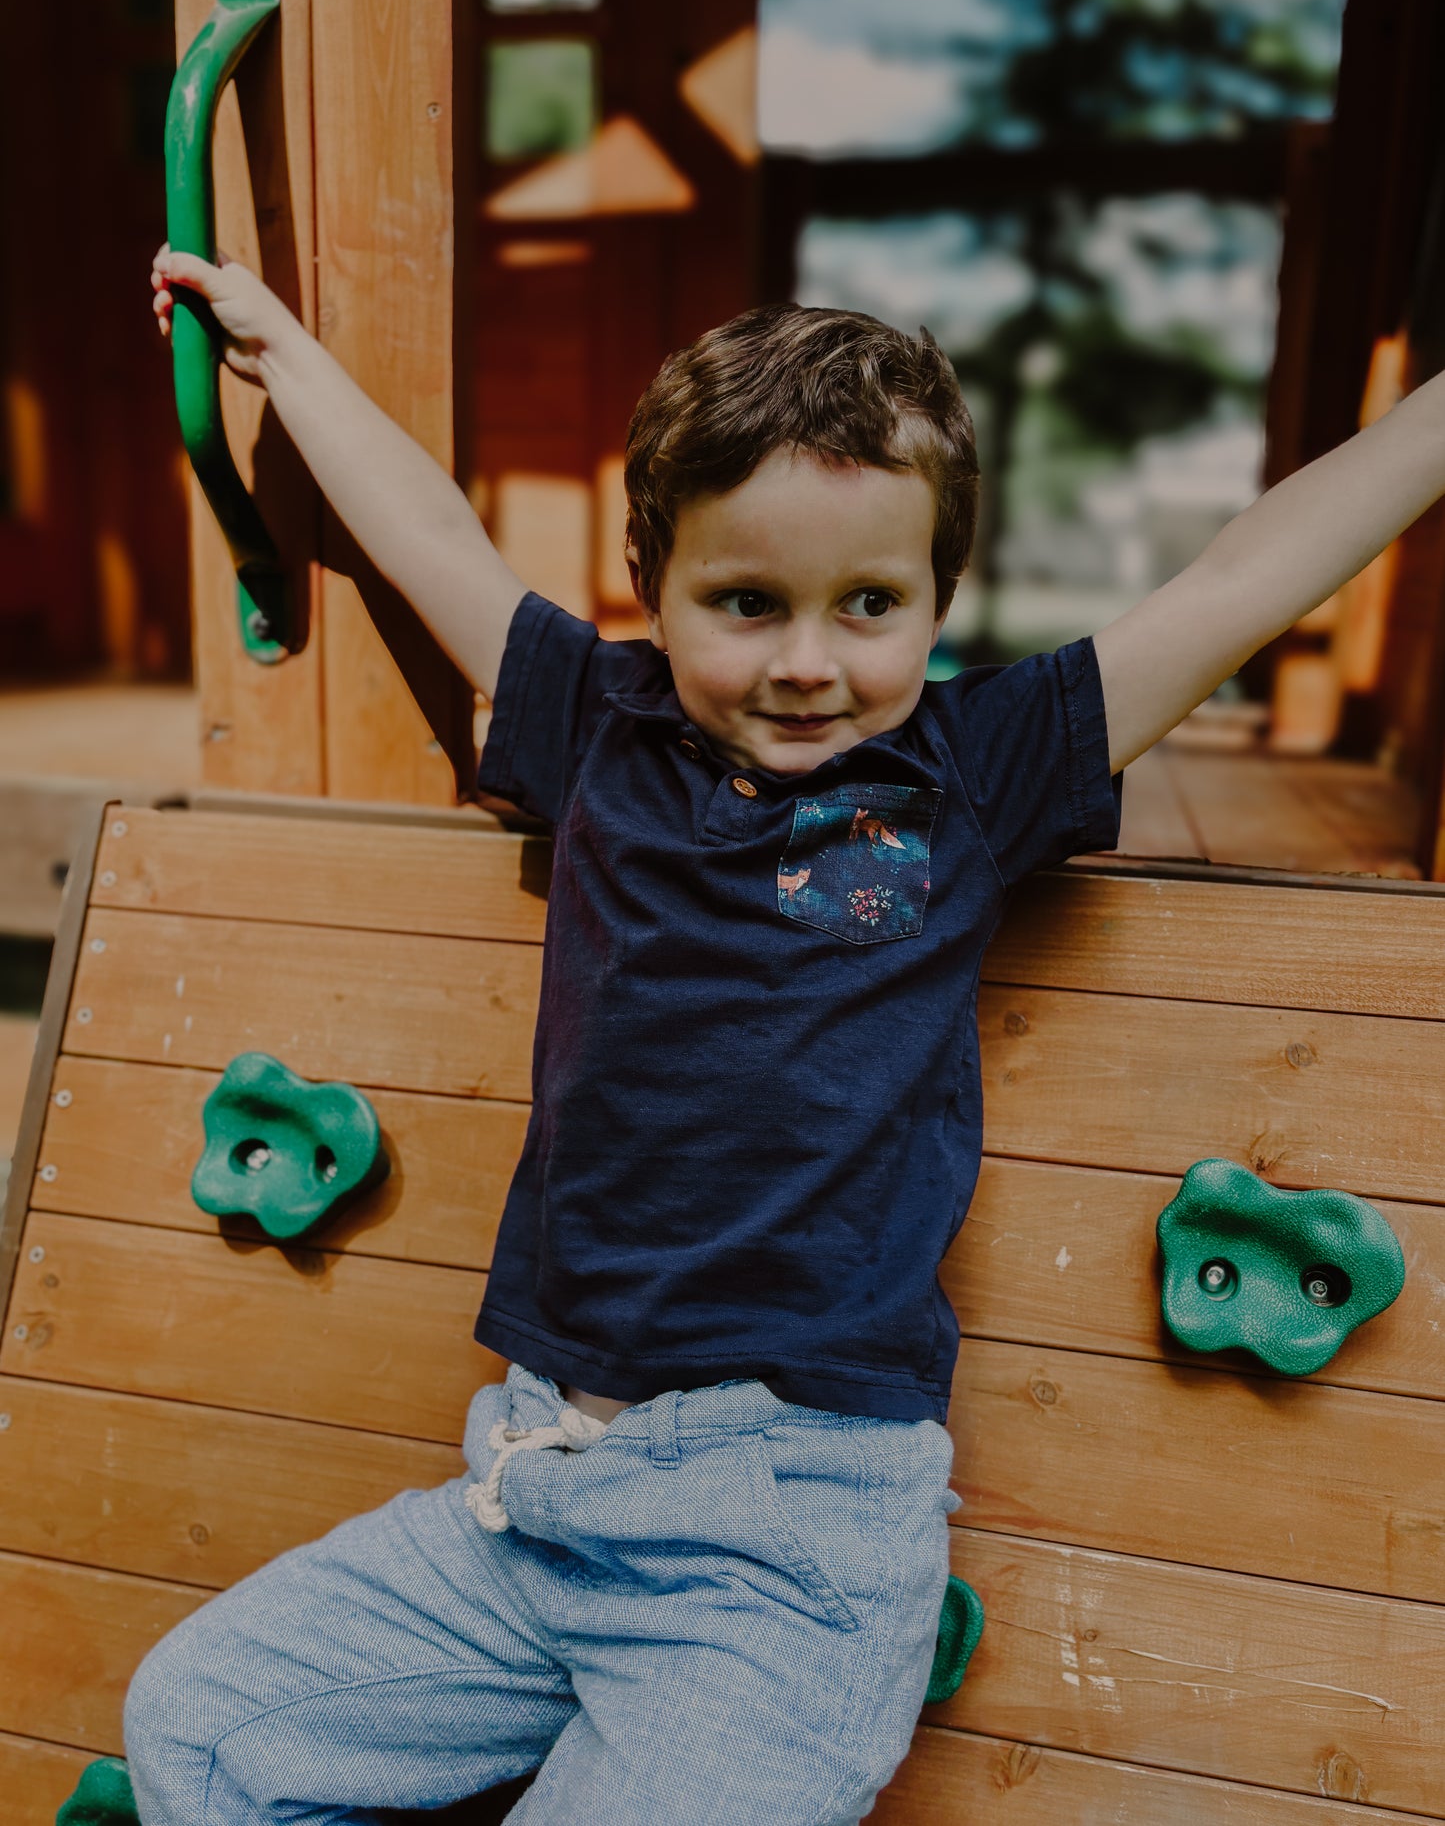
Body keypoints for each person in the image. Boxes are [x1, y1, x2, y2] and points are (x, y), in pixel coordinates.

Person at [128, 242, 1443, 1825]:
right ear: (654, 586)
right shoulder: (598, 726)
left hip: (783, 1546)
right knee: (195, 1724)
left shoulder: (969, 771)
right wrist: (284, 353)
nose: (809, 660)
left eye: (869, 604)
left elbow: (1243, 576)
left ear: (940, 600)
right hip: (530, 1494)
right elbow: (427, 534)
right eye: (745, 602)